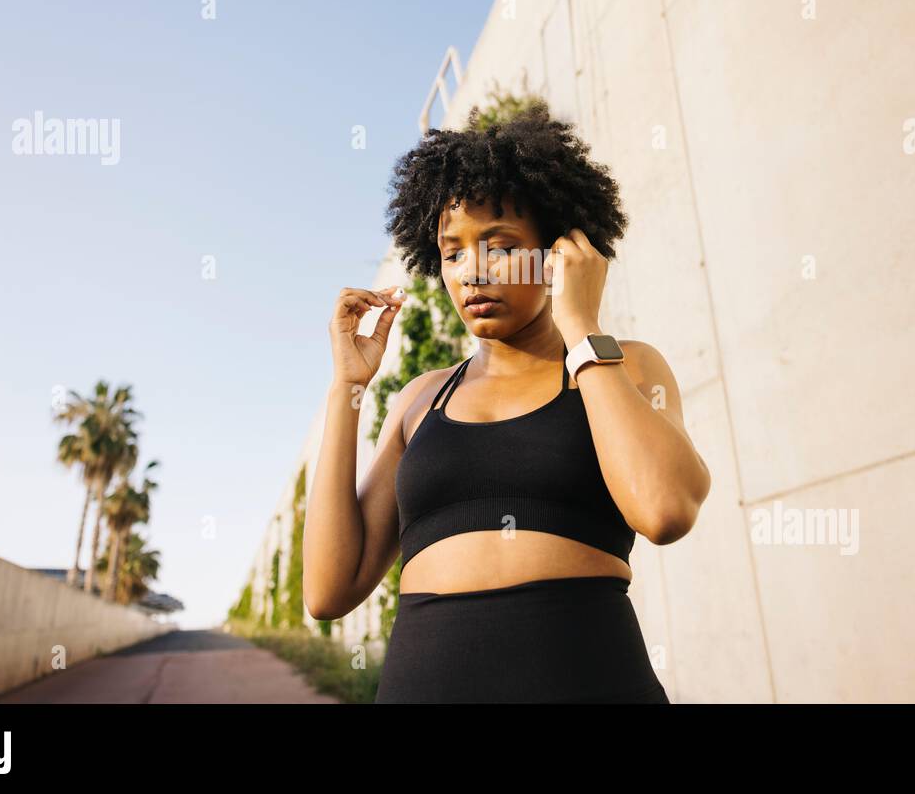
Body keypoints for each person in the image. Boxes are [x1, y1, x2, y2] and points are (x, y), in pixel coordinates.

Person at [302, 98, 711, 702]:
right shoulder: (421, 400)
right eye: (453, 251)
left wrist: (581, 328)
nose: (472, 271)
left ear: (559, 250)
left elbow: (665, 509)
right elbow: (328, 591)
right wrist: (347, 387)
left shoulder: (622, 364)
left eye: (499, 244)